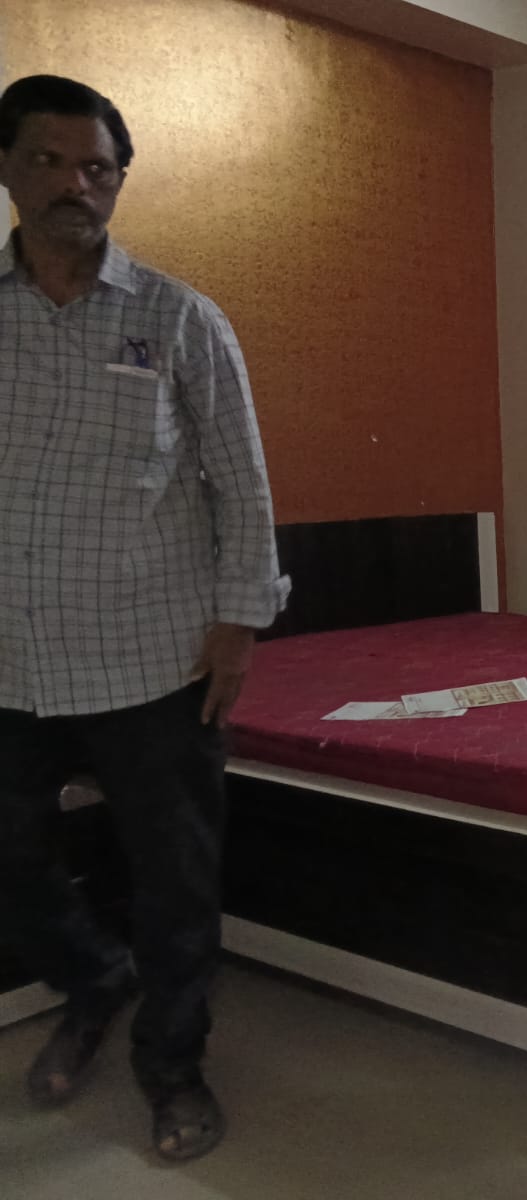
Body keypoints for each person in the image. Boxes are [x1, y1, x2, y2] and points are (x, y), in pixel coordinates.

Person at [0, 75, 288, 1163]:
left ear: (120, 181)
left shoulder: (176, 317)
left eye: (97, 168)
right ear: (8, 169)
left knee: (175, 880)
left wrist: (240, 624)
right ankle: (91, 978)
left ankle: (172, 1064)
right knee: (12, 860)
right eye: (48, 161)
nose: (74, 185)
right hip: (10, 657)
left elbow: (240, 482)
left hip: (154, 656)